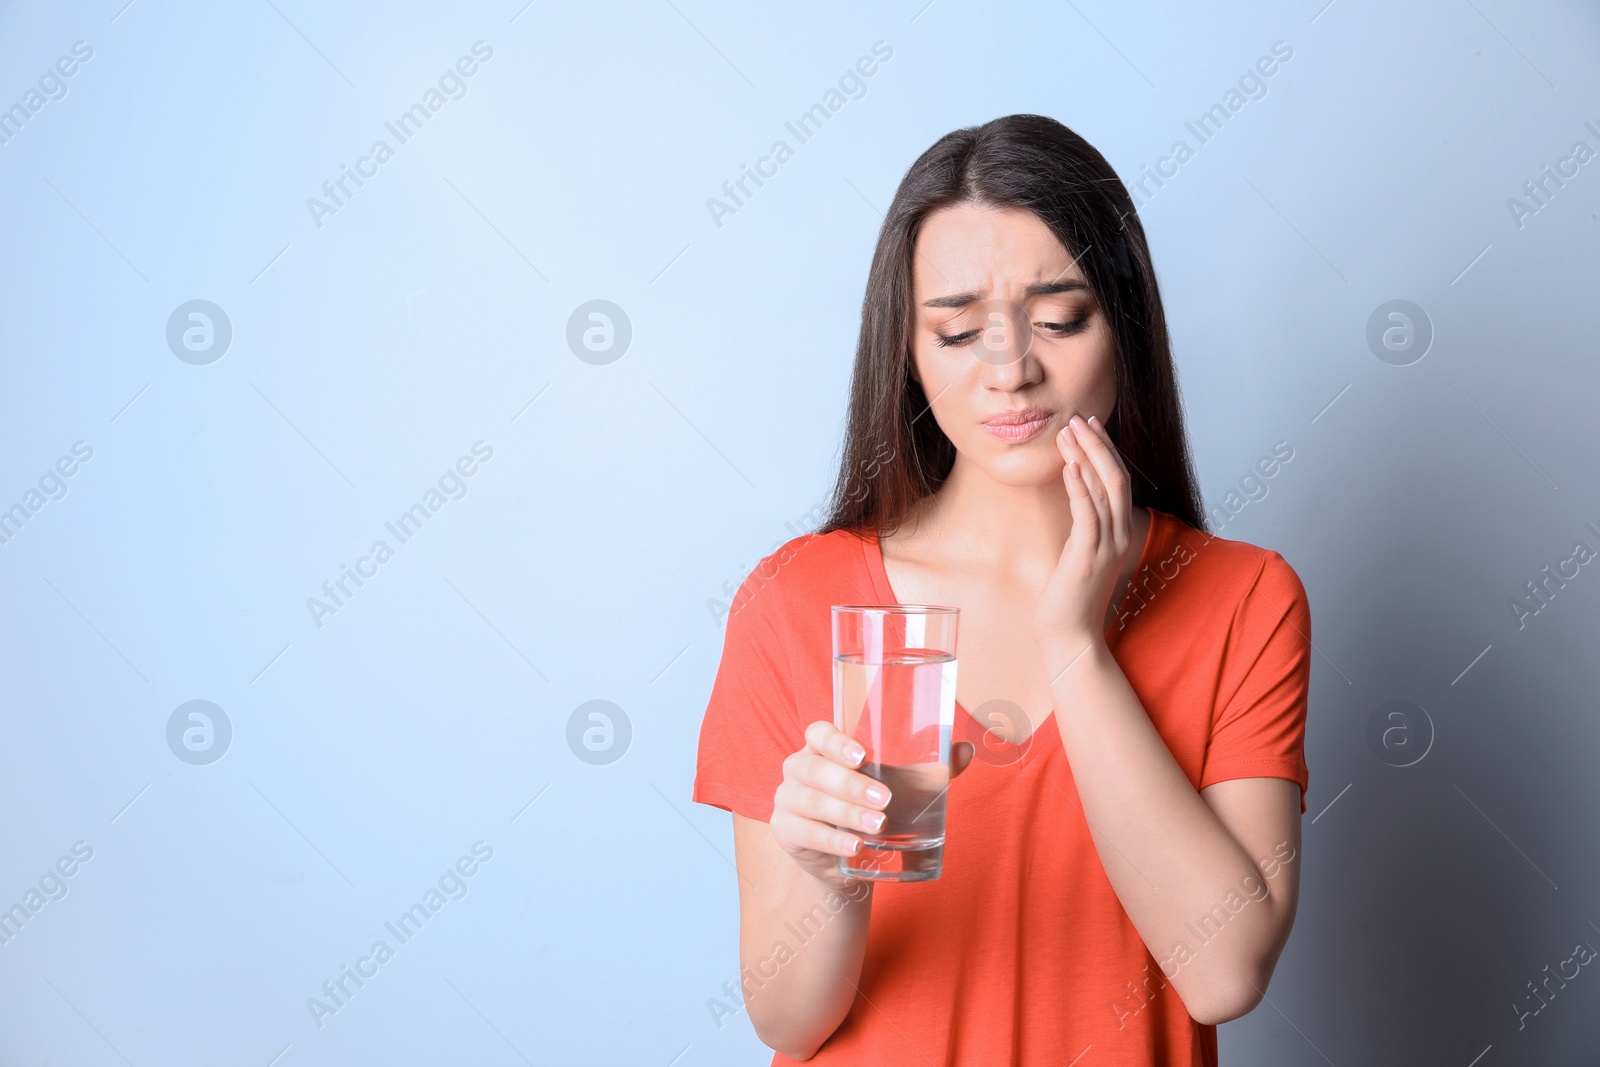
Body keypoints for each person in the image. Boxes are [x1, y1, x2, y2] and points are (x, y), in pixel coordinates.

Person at [692, 113, 1310, 1065]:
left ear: (1127, 326)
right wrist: (830, 882)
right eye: (957, 329)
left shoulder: (1242, 599)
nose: (1011, 368)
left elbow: (1224, 971)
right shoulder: (799, 600)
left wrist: (1076, 642)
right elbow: (788, 1020)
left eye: (1060, 319)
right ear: (906, 350)